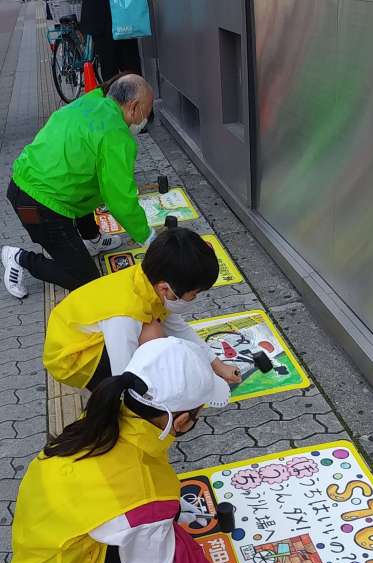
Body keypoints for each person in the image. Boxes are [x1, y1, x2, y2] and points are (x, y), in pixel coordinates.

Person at [12, 336, 298, 563]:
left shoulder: (106, 418)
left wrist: (171, 507)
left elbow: (132, 478)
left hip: (44, 545)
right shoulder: (141, 495)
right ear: (183, 420)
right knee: (163, 556)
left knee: (156, 526)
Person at [2, 74, 154, 300]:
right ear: (133, 107)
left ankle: (92, 238)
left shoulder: (91, 101)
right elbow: (120, 199)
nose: (146, 119)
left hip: (26, 185)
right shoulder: (116, 134)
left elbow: (91, 179)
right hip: (40, 206)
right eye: (147, 112)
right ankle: (19, 258)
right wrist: (149, 238)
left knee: (88, 177)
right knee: (86, 282)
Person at [43, 227, 241, 390]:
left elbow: (179, 328)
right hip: (72, 359)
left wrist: (218, 366)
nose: (194, 298)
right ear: (165, 288)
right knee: (153, 337)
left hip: (83, 332)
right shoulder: (125, 316)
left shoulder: (148, 279)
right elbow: (123, 374)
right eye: (194, 293)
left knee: (157, 332)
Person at [80, 0, 142, 82]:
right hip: (102, 20)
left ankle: (134, 87)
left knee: (131, 69)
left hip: (123, 18)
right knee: (110, 71)